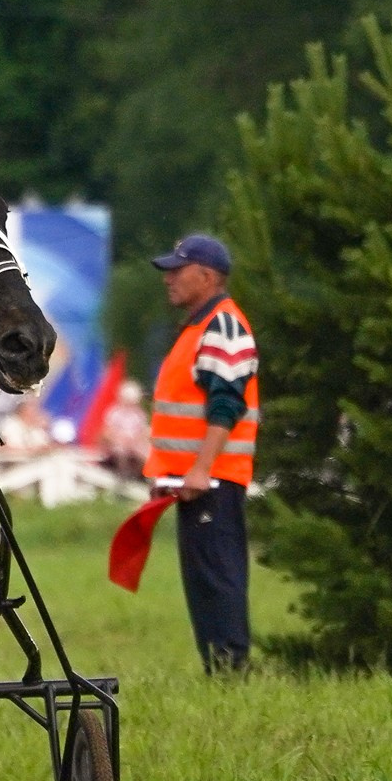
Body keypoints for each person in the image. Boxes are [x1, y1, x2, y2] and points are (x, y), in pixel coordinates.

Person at [148, 233, 259, 672]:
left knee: (218, 579)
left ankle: (231, 672)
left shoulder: (223, 326)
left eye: (178, 270)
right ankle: (220, 672)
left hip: (212, 480)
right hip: (194, 481)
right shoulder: (199, 327)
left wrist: (200, 469)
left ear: (207, 276)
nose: (168, 279)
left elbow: (227, 405)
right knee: (203, 583)